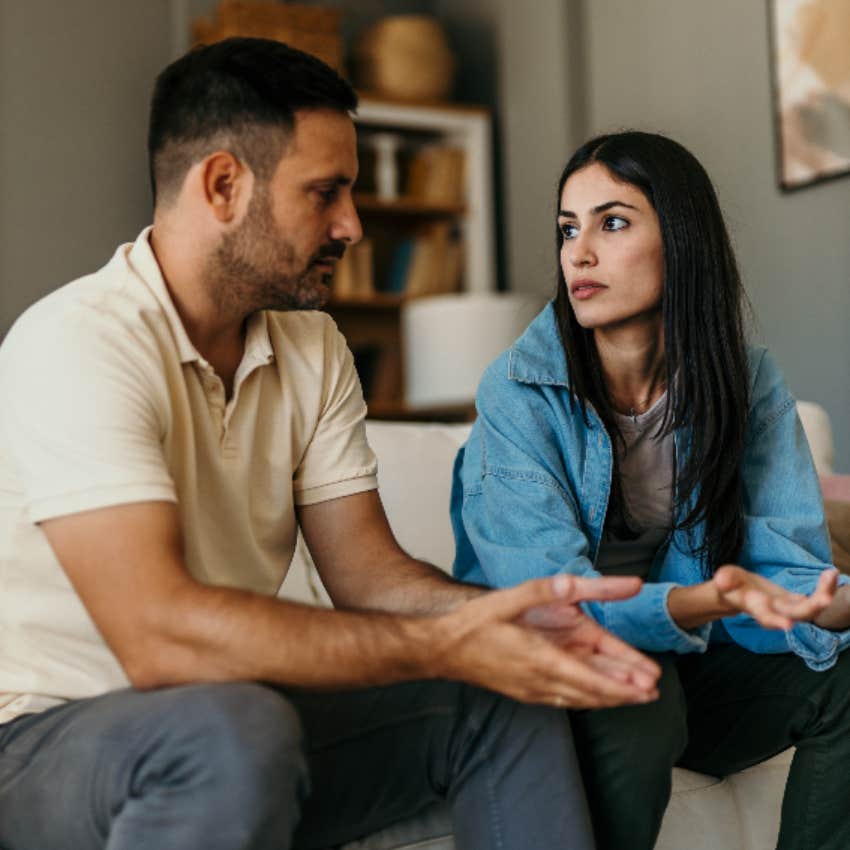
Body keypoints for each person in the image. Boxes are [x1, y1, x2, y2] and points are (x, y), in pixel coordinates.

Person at [0, 39, 663, 850]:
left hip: (243, 721)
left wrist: (499, 621)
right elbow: (159, 639)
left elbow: (368, 576)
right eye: (326, 192)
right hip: (45, 745)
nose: (351, 225)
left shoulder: (311, 350)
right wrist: (441, 643)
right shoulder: (77, 342)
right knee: (232, 729)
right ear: (222, 185)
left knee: (496, 693)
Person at [451, 130, 850, 850]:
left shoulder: (748, 383)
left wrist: (830, 601)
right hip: (554, 658)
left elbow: (786, 577)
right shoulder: (516, 391)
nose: (578, 253)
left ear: (683, 239)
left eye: (612, 223)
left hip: (689, 652)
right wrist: (708, 601)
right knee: (644, 698)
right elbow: (550, 600)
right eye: (568, 229)